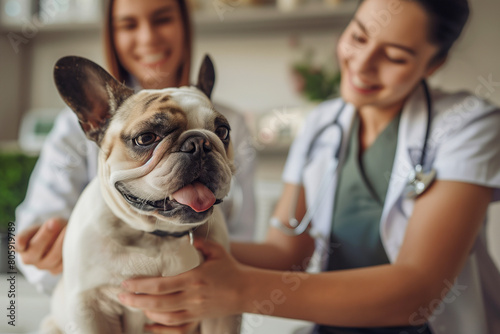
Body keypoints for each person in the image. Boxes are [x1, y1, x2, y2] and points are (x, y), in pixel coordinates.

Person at [116, 0, 500, 333]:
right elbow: (287, 252)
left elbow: (418, 290)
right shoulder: (323, 124)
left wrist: (236, 289)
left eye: (395, 56)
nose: (363, 65)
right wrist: (160, 237)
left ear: (435, 63)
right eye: (359, 36)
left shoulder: (468, 125)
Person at [14, 0, 256, 302]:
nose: (148, 38)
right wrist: (52, 248)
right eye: (129, 24)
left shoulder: (231, 119)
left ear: (185, 23)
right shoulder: (80, 126)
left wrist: (189, 264)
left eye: (162, 19)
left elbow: (243, 238)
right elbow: (32, 237)